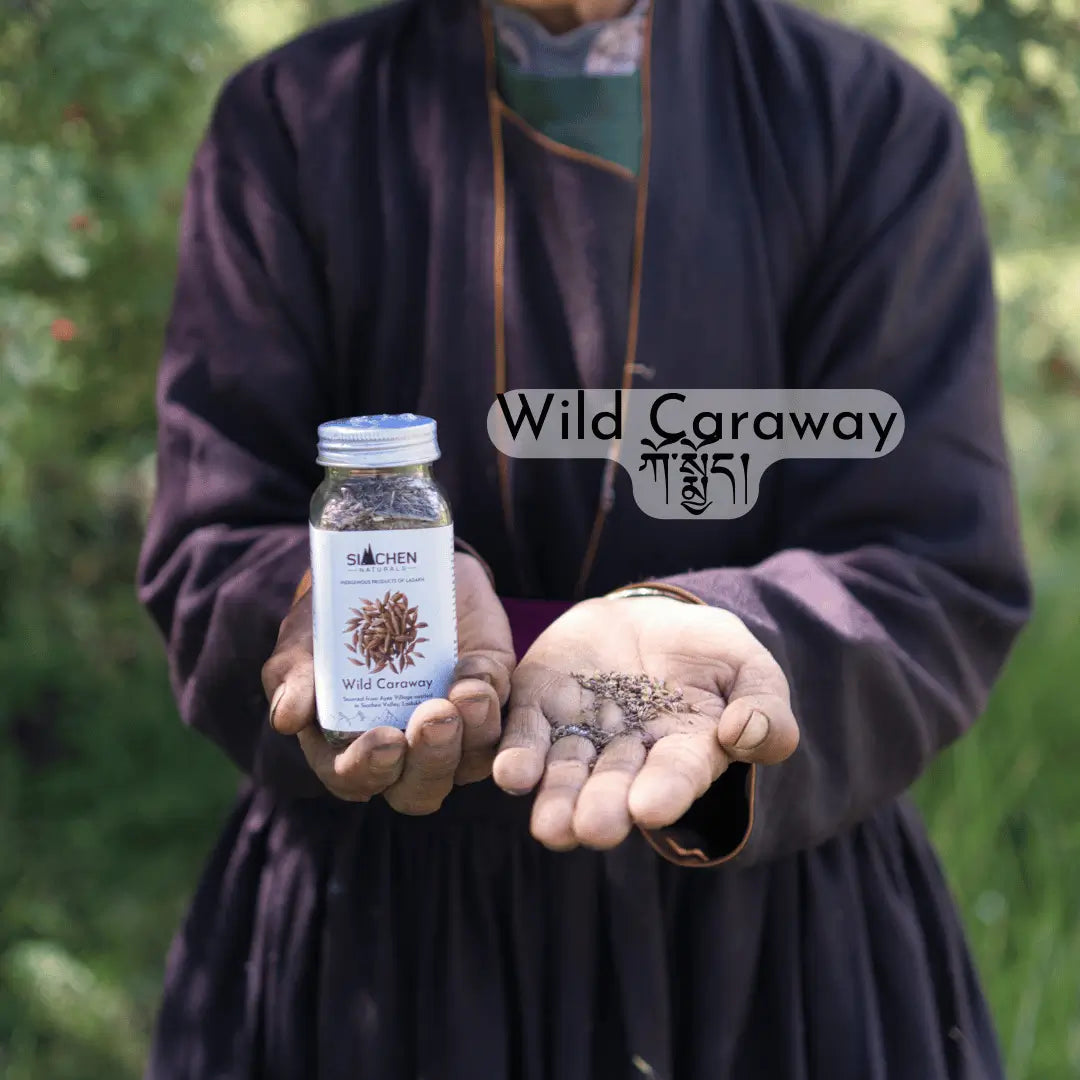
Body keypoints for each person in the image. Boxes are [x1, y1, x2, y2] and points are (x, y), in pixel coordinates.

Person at [136, 0, 1031, 1076]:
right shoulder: (291, 120)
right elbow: (213, 535)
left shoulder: (866, 121)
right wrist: (349, 614)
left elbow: (929, 559)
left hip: (765, 948)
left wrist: (717, 634)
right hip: (379, 941)